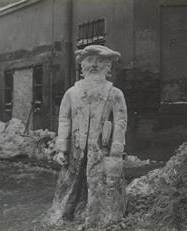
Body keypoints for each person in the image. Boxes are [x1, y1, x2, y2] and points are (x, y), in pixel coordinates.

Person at [46, 45, 127, 228]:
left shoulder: (114, 94)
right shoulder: (72, 93)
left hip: (102, 150)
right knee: (70, 184)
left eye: (99, 61)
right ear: (82, 66)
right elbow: (64, 120)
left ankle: (103, 220)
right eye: (89, 61)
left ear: (108, 66)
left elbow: (121, 122)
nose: (94, 65)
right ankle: (65, 215)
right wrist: (62, 148)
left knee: (103, 184)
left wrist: (116, 151)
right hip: (76, 149)